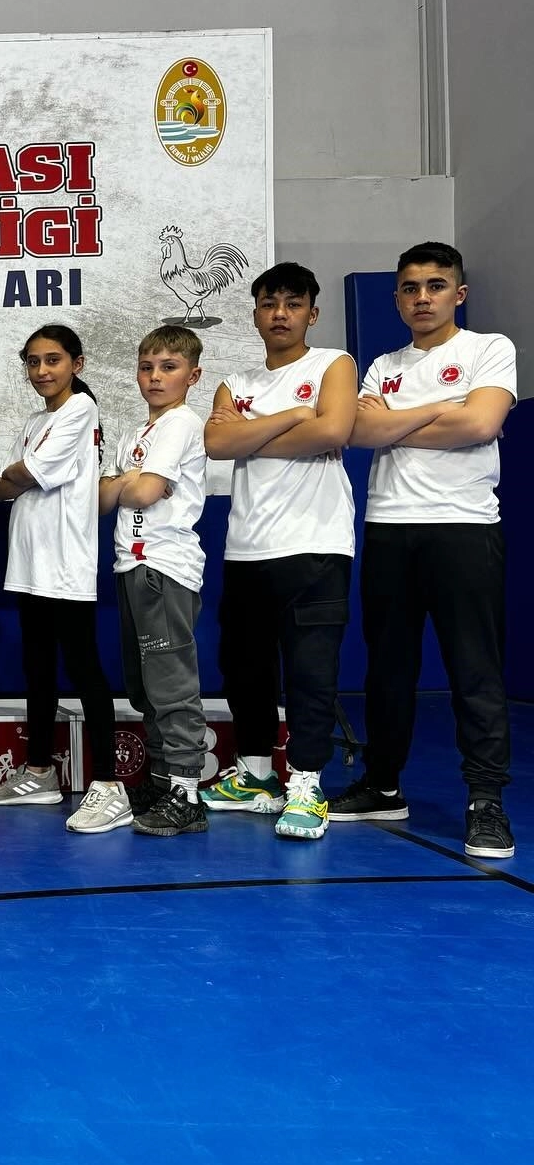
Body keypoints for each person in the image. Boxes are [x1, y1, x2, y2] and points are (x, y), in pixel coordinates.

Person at [331, 242, 518, 858]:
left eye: (435, 286)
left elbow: (481, 424)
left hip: (464, 529)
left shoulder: (489, 349)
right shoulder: (383, 364)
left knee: (474, 669)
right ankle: (383, 785)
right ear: (396, 299)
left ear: (458, 294)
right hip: (390, 527)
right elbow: (361, 430)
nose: (422, 298)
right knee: (388, 669)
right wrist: (443, 408)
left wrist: (400, 419)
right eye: (410, 288)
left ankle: (486, 802)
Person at [202, 262, 357, 840]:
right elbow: (217, 442)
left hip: (316, 544)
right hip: (247, 548)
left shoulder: (333, 364)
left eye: (293, 304)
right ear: (255, 315)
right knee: (246, 670)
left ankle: (307, 785)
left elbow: (333, 432)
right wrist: (294, 416)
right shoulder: (234, 381)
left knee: (311, 672)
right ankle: (257, 776)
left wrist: (253, 432)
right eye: (269, 304)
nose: (280, 314)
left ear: (312, 313)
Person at [0, 325, 121, 832]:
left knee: (84, 670)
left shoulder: (82, 409)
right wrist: (13, 477)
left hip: (66, 564)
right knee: (37, 669)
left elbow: (26, 474)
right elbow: (3, 487)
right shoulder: (34, 419)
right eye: (33, 362)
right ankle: (40, 771)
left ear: (76, 365)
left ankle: (108, 784)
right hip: (29, 564)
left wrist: (14, 476)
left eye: (53, 360)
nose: (42, 370)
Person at [97, 326, 210, 835]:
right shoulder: (135, 432)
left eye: (169, 367)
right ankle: (164, 781)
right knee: (144, 687)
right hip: (130, 565)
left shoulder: (182, 423)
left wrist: (128, 484)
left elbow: (142, 494)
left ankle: (187, 793)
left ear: (193, 375)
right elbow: (103, 499)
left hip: (165, 566)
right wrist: (130, 482)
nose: (155, 377)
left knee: (171, 684)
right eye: (147, 367)